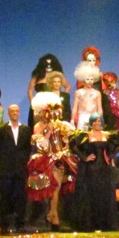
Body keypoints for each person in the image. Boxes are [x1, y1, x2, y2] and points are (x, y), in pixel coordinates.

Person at [27, 92, 77, 230]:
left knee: (60, 186)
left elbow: (68, 141)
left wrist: (65, 144)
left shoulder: (61, 125)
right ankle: (53, 216)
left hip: (61, 157)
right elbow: (40, 146)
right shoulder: (38, 126)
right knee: (54, 187)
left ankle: (54, 214)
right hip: (46, 159)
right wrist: (48, 132)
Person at [71, 113, 119, 231]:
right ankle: (90, 223)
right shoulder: (86, 135)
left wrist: (110, 156)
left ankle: (104, 224)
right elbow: (73, 146)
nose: (97, 123)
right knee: (92, 194)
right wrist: (84, 157)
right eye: (95, 121)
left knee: (104, 194)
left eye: (99, 121)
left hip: (104, 168)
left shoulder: (107, 134)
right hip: (91, 168)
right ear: (91, 123)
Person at [0, 104, 32, 233]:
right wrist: (4, 161)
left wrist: (23, 161)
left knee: (20, 197)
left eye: (17, 111)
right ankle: (4, 225)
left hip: (21, 169)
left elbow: (28, 148)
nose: (15, 113)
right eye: (12, 111)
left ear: (19, 113)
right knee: (5, 197)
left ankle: (20, 224)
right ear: (8, 113)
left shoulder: (26, 130)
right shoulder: (1, 130)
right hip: (6, 169)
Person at [27, 54, 70, 127]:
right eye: (46, 64)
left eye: (51, 64)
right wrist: (33, 104)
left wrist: (61, 97)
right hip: (38, 106)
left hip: (53, 107)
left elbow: (68, 87)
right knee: (38, 126)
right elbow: (30, 91)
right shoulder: (37, 77)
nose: (49, 66)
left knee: (53, 126)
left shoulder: (58, 76)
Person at [72, 61, 103, 130]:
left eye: (92, 79)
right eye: (87, 79)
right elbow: (75, 108)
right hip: (82, 118)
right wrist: (72, 120)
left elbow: (99, 108)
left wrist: (100, 119)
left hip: (94, 118)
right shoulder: (78, 92)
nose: (90, 81)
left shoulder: (97, 93)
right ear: (83, 80)